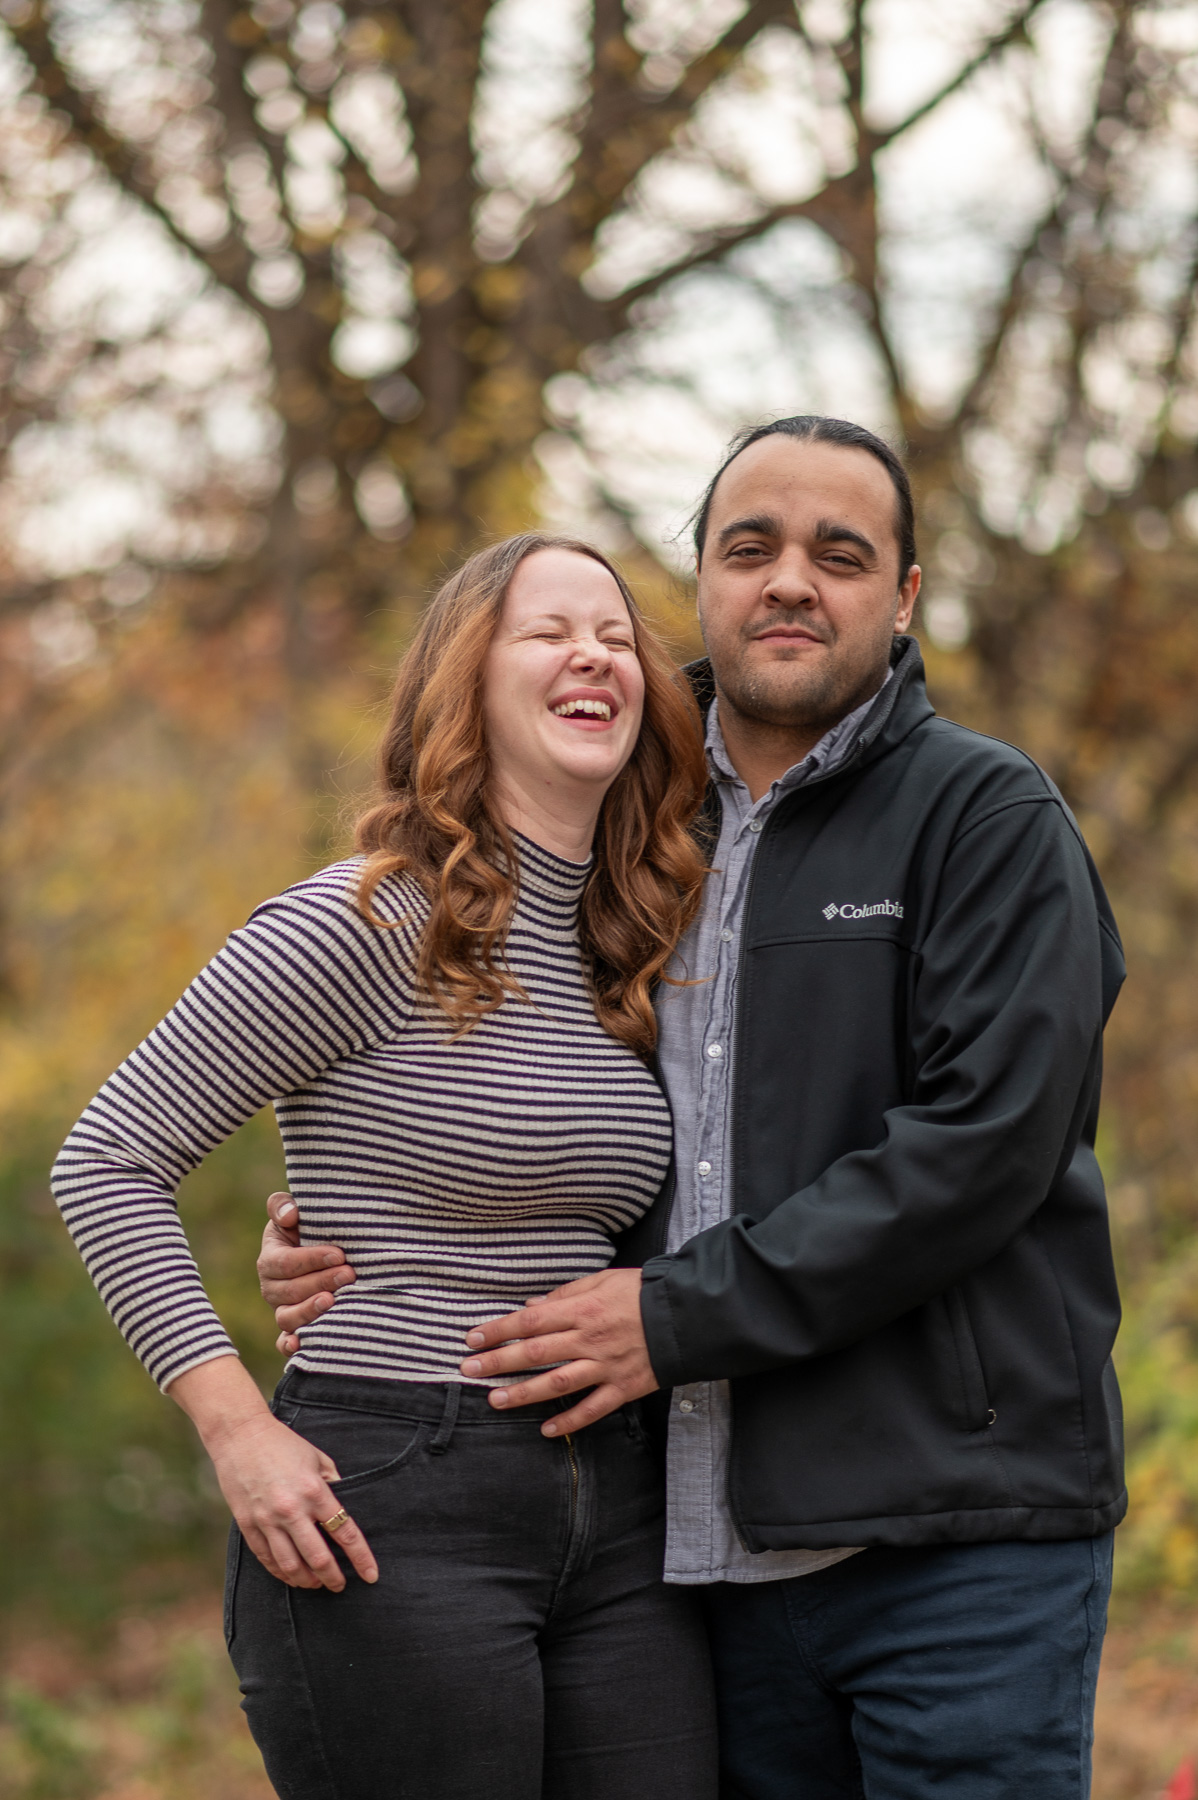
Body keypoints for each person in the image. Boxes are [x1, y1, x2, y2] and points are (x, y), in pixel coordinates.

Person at [262, 417, 1127, 1799]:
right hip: (682, 1558)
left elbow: (984, 1146)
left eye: (840, 555)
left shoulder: (982, 816)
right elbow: (513, 1088)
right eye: (750, 547)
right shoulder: (616, 815)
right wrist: (376, 1227)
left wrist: (675, 1317)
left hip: (954, 1544)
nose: (790, 581)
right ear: (703, 578)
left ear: (904, 596)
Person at [51, 532, 721, 1800]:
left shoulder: (633, 946)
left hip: (620, 1504)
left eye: (616, 636)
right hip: (395, 1497)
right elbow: (109, 1159)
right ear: (464, 682)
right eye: (547, 632)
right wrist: (236, 1429)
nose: (593, 655)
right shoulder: (363, 920)